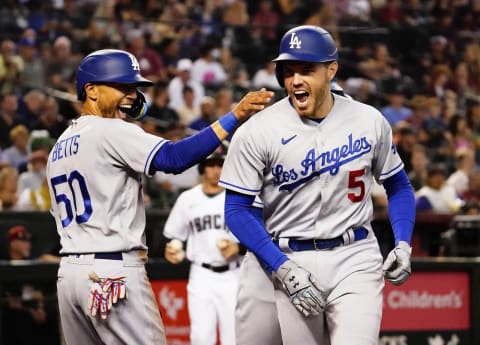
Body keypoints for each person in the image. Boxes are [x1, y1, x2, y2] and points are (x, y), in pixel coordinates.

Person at [45, 48, 273, 345]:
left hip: (70, 277)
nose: (131, 94)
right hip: (112, 270)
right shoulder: (110, 130)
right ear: (91, 91)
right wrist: (234, 117)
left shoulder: (58, 147)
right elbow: (174, 158)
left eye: (134, 87)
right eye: (122, 86)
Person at [219, 25, 416, 345]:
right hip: (288, 256)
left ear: (331, 70)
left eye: (307, 70)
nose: (296, 80)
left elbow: (399, 186)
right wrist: (281, 267)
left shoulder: (369, 120)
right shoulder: (258, 130)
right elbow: (237, 210)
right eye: (288, 71)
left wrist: (403, 243)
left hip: (356, 255)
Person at [163, 152, 241, 345]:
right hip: (201, 274)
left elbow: (256, 235)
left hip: (233, 274)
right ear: (203, 168)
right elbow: (175, 236)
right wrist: (172, 249)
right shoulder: (188, 198)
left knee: (233, 338)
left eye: (220, 165)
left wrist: (239, 247)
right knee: (200, 338)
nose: (216, 170)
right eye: (211, 165)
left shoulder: (237, 198)